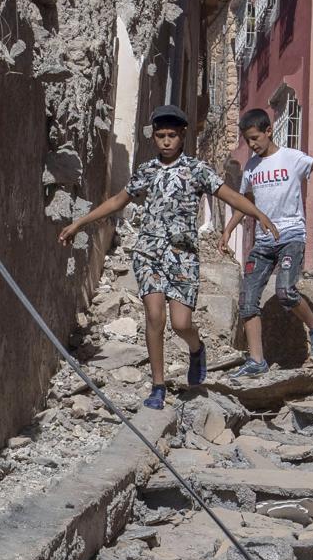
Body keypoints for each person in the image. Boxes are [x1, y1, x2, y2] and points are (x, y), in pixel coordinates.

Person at [59, 104, 279, 409]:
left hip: (183, 256)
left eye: (172, 135)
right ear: (154, 138)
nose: (166, 141)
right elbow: (117, 201)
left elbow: (230, 195)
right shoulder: (146, 171)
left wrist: (259, 214)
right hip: (148, 253)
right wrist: (80, 222)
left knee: (181, 322)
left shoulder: (197, 170)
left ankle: (196, 348)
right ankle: (158, 386)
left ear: (182, 136)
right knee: (154, 317)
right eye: (160, 135)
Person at [223, 106, 313, 378]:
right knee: (248, 301)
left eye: (255, 138)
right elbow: (245, 202)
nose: (252, 144)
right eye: (248, 140)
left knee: (285, 290)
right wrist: (229, 230)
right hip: (263, 241)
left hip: (291, 234)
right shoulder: (251, 167)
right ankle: (256, 360)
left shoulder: (291, 157)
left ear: (268, 131)